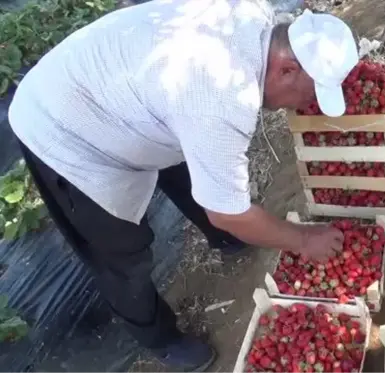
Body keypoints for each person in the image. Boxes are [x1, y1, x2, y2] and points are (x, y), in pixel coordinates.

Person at [7, 0, 360, 371]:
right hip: (63, 124)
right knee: (122, 251)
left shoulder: (256, 17)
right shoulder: (221, 98)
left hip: (123, 88)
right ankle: (159, 338)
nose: (308, 103)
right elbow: (228, 209)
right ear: (286, 68)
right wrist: (303, 239)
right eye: (310, 91)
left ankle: (223, 236)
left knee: (190, 164)